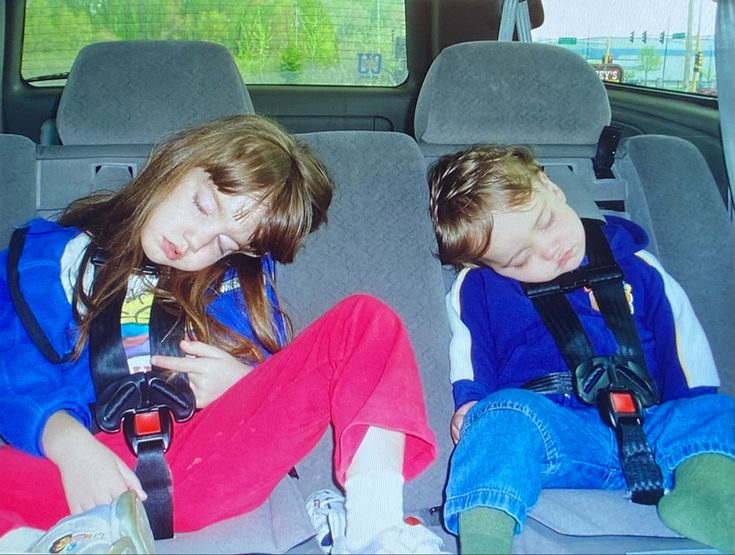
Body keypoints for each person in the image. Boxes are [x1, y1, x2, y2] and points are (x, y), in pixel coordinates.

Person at [0, 114, 446, 555]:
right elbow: (15, 366)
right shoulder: (47, 256)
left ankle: (374, 528)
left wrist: (244, 380)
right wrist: (68, 445)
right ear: (178, 161)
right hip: (82, 470)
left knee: (366, 320)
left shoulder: (237, 285)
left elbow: (286, 386)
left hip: (206, 461)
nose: (196, 241)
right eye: (203, 206)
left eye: (225, 244)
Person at [427, 144, 734, 554]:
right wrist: (472, 401)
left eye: (547, 222)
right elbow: (470, 352)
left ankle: (706, 497)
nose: (549, 249)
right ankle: (486, 540)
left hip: (653, 425)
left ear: (550, 186)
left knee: (715, 412)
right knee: (499, 419)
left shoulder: (638, 264)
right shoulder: (478, 288)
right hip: (558, 434)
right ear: (487, 265)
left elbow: (684, 343)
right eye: (521, 259)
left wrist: (692, 410)